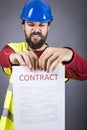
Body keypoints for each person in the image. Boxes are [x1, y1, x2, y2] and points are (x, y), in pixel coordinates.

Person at [0, 0, 87, 130]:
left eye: (42, 24)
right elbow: (3, 55)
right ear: (23, 25)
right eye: (30, 24)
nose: (36, 30)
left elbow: (84, 73)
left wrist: (70, 55)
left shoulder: (59, 58)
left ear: (48, 27)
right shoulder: (15, 49)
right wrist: (12, 57)